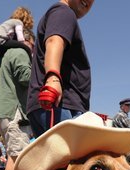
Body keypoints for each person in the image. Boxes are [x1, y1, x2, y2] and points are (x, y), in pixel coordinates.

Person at [26, 0, 95, 137]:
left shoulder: (62, 13)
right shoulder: (64, 12)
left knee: (55, 158)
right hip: (59, 104)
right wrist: (53, 78)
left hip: (58, 105)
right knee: (66, 158)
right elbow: (54, 41)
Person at [0, 29, 35, 170]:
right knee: (18, 159)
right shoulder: (20, 52)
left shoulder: (5, 56)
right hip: (13, 111)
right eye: (33, 45)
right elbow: (25, 77)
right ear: (25, 41)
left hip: (3, 112)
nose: (33, 50)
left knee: (12, 155)